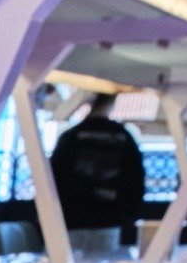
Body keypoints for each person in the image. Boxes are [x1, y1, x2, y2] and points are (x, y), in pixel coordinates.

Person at [49, 94, 144, 253]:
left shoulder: (71, 136)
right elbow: (135, 181)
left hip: (71, 219)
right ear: (112, 105)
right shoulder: (124, 138)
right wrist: (128, 216)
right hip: (109, 220)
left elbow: (53, 178)